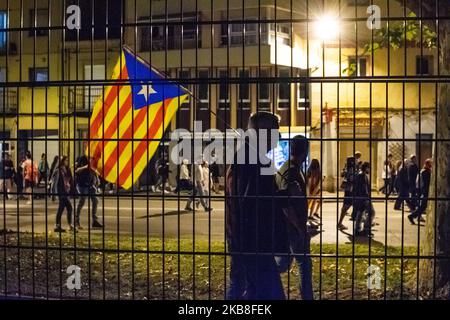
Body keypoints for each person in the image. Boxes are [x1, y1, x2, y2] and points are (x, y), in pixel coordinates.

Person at [225, 111, 285, 300]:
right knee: (271, 294)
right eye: (276, 131)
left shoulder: (244, 157)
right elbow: (252, 204)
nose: (279, 136)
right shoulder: (254, 161)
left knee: (243, 289)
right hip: (255, 244)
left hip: (243, 241)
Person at [275, 136, 314, 300]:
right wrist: (300, 228)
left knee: (283, 264)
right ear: (304, 152)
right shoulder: (291, 171)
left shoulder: (287, 168)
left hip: (288, 227)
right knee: (304, 264)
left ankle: (261, 276)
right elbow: (286, 204)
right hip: (292, 227)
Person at [74, 155, 103, 229]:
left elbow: (94, 170)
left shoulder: (93, 158)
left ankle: (94, 220)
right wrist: (86, 166)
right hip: (82, 184)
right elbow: (76, 170)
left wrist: (96, 178)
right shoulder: (82, 158)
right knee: (82, 201)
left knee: (95, 200)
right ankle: (76, 221)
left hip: (90, 184)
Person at [353, 162, 376, 237]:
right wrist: (366, 198)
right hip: (363, 198)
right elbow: (362, 188)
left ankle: (358, 229)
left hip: (364, 197)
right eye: (369, 168)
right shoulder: (361, 175)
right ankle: (365, 229)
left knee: (360, 213)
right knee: (371, 212)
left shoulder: (364, 175)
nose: (369, 169)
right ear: (365, 168)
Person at [408, 159, 432, 225]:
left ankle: (414, 216)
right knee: (423, 206)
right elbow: (426, 182)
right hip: (425, 191)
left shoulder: (426, 171)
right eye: (430, 163)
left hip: (425, 191)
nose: (431, 165)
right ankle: (412, 216)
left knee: (423, 206)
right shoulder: (425, 172)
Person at [54, 156, 75, 233]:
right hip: (62, 192)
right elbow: (56, 183)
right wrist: (56, 194)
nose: (67, 162)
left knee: (64, 208)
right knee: (66, 208)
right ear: (62, 161)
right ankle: (60, 225)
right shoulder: (59, 170)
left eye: (68, 160)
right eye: (66, 160)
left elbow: (69, 180)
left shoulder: (66, 170)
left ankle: (59, 225)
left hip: (66, 191)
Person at [337, 156, 357, 231]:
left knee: (345, 207)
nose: (356, 162)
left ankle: (340, 222)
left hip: (348, 190)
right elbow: (351, 180)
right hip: (351, 190)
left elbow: (343, 175)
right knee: (348, 206)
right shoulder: (352, 169)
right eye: (355, 161)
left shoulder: (347, 168)